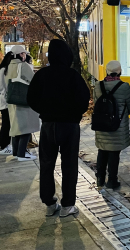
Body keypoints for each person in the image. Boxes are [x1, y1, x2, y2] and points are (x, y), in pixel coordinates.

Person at [27, 39, 90, 218]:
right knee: (69, 165)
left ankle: (49, 202)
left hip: (48, 125)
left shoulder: (42, 75)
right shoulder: (73, 75)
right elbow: (84, 99)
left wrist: (45, 111)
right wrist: (74, 114)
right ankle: (67, 205)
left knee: (47, 164)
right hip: (70, 126)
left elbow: (31, 98)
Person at [93, 60, 130, 190]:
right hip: (117, 126)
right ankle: (112, 180)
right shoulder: (124, 87)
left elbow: (96, 105)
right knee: (114, 153)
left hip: (101, 125)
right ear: (120, 71)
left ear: (106, 71)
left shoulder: (97, 85)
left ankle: (100, 178)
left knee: (102, 150)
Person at [5, 45, 40, 161]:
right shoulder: (23, 66)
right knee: (26, 126)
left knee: (15, 127)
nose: (25, 55)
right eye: (24, 53)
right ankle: (22, 153)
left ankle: (16, 152)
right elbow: (33, 82)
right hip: (23, 100)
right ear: (20, 54)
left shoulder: (8, 66)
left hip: (12, 101)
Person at [0, 52, 14, 155]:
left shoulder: (3, 70)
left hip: (5, 102)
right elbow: (1, 88)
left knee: (7, 124)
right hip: (5, 102)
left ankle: (5, 145)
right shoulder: (3, 70)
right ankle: (3, 146)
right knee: (6, 125)